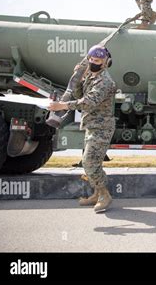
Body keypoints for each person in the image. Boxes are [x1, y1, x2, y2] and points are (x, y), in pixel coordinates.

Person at [48, 45, 117, 213]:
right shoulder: (91, 77)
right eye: (91, 60)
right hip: (91, 125)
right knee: (91, 163)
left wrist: (62, 105)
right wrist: (78, 78)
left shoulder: (105, 81)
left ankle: (104, 195)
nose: (93, 63)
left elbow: (88, 102)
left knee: (89, 162)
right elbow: (79, 95)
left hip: (102, 127)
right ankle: (97, 194)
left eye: (97, 61)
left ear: (105, 63)